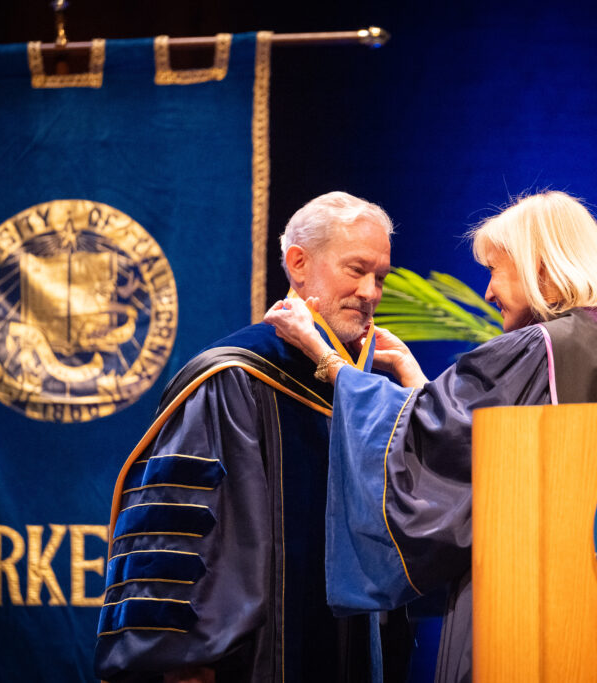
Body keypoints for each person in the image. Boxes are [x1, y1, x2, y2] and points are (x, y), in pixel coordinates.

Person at [264, 190, 597, 683]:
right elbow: (481, 439)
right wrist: (415, 376)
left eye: (496, 271)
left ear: (539, 269)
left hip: (531, 607)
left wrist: (328, 360)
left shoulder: (538, 348)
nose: (488, 293)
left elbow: (430, 440)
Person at [94, 191, 397, 683]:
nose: (370, 292)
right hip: (252, 661)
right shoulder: (233, 377)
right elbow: (181, 532)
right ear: (298, 263)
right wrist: (183, 659)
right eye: (356, 269)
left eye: (379, 277)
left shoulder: (364, 389)